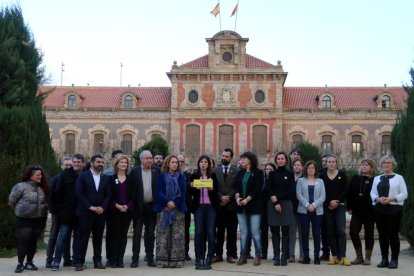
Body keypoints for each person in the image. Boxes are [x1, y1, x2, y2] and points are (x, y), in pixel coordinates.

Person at [73, 154, 111, 271]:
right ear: (92, 163)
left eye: (102, 162)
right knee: (82, 238)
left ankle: (97, 261)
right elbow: (79, 193)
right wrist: (90, 207)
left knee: (98, 238)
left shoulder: (105, 178)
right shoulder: (83, 176)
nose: (100, 164)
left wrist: (102, 207)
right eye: (98, 162)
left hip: (100, 213)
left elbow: (108, 195)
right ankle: (79, 262)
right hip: (85, 213)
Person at [9, 165, 50, 273]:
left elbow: (47, 201)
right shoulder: (20, 186)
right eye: (37, 175)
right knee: (24, 241)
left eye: (41, 174)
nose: (40, 176)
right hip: (24, 219)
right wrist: (19, 211)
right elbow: (12, 201)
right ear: (30, 176)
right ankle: (20, 264)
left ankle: (29, 262)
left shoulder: (44, 187)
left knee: (33, 241)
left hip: (40, 218)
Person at [370, 155, 408, 269]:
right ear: (381, 165)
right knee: (382, 235)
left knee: (393, 235)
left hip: (394, 209)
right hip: (379, 209)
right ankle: (384, 259)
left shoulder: (399, 178)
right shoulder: (377, 178)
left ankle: (394, 260)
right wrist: (377, 199)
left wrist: (391, 199)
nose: (386, 165)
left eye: (389, 163)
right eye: (384, 163)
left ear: (393, 165)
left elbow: (404, 194)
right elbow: (372, 193)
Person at [50, 154, 85, 271]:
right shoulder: (64, 174)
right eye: (74, 161)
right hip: (66, 213)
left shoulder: (85, 175)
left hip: (80, 212)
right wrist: (59, 210)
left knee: (78, 238)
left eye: (79, 162)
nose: (76, 164)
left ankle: (75, 261)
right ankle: (56, 261)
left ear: (83, 163)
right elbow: (57, 193)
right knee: (63, 237)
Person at [154, 155, 187, 268]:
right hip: (163, 209)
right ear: (168, 164)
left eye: (176, 162)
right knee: (163, 234)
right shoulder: (161, 177)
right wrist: (167, 203)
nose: (174, 164)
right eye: (172, 162)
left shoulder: (181, 177)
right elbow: (158, 192)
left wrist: (173, 203)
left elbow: (183, 193)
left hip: (177, 209)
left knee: (177, 235)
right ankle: (162, 260)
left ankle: (176, 260)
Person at [129, 150, 160, 267]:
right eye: (147, 158)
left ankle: (150, 258)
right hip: (138, 208)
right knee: (137, 233)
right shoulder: (135, 171)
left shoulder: (156, 170)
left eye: (151, 158)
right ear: (141, 159)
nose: (149, 160)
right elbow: (131, 190)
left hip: (152, 207)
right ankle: (135, 259)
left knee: (151, 234)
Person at [266, 152, 295, 266]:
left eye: (283, 158)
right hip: (273, 204)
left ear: (286, 160)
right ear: (276, 160)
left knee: (286, 231)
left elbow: (291, 190)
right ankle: (276, 256)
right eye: (278, 158)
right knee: (274, 232)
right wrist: (275, 201)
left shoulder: (290, 173)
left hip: (286, 204)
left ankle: (284, 256)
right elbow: (269, 187)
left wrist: (278, 198)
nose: (281, 160)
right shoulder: (272, 174)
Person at [320, 154, 350, 266]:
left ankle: (343, 257)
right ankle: (334, 256)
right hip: (327, 207)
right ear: (326, 163)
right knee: (330, 231)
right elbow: (321, 191)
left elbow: (345, 190)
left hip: (339, 206)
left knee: (341, 231)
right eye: (329, 161)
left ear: (336, 163)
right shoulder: (322, 175)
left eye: (333, 161)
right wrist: (328, 202)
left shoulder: (341, 174)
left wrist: (337, 201)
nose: (331, 163)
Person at [234, 151, 264, 266]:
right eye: (241, 159)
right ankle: (243, 255)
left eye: (244, 158)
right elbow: (236, 186)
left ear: (250, 160)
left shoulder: (258, 172)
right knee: (243, 232)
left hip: (254, 206)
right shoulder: (240, 173)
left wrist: (247, 199)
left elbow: (257, 188)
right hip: (241, 207)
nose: (242, 161)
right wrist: (237, 197)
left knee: (255, 232)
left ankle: (258, 255)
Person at [189, 155, 218, 270]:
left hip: (210, 207)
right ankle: (198, 258)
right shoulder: (195, 175)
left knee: (211, 233)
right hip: (199, 207)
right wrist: (190, 185)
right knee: (198, 233)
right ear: (199, 163)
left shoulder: (212, 175)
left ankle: (209, 258)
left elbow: (216, 190)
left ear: (208, 164)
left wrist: (212, 188)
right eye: (201, 162)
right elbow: (190, 190)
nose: (203, 164)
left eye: (205, 162)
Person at [106, 155, 135, 268]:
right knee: (114, 235)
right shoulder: (111, 179)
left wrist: (127, 206)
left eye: (125, 163)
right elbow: (109, 195)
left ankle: (120, 259)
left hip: (127, 211)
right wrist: (117, 205)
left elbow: (134, 196)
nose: (124, 164)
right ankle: (112, 259)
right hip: (114, 211)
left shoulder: (131, 179)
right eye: (121, 162)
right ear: (117, 164)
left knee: (123, 235)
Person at [212, 148, 239, 264]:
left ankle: (230, 255)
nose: (224, 158)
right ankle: (218, 255)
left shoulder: (236, 171)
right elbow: (213, 187)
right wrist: (220, 197)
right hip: (219, 207)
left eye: (227, 156)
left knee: (232, 232)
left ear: (231, 158)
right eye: (223, 156)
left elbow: (237, 187)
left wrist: (228, 197)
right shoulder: (215, 171)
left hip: (232, 206)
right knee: (220, 232)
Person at [296, 161, 326, 265]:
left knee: (316, 234)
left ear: (315, 169)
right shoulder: (300, 181)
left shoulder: (320, 181)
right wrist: (307, 205)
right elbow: (298, 194)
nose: (311, 169)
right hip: (304, 211)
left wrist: (314, 205)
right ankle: (306, 257)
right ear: (305, 169)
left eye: (313, 168)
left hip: (317, 211)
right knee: (304, 234)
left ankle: (316, 256)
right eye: (309, 168)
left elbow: (323, 196)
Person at [347, 159, 376, 265]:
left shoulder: (375, 180)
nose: (364, 167)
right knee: (353, 232)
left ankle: (368, 257)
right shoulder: (355, 178)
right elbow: (349, 192)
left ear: (371, 168)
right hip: (356, 211)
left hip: (370, 211)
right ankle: (359, 257)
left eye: (366, 165)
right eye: (362, 165)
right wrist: (349, 207)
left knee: (369, 234)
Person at [46, 157, 72, 269]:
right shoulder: (56, 179)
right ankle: (49, 260)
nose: (68, 167)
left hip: (68, 213)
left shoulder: (73, 178)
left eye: (70, 165)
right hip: (57, 212)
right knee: (53, 235)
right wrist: (53, 211)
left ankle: (67, 259)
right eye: (66, 165)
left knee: (67, 235)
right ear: (61, 166)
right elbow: (50, 196)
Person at [177, 154, 193, 261]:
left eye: (182, 161)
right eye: (178, 161)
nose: (180, 163)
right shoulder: (169, 175)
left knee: (186, 231)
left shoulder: (188, 175)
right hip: (172, 207)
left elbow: (191, 190)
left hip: (185, 207)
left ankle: (185, 252)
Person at [261, 162, 276, 260]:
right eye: (267, 169)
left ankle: (276, 253)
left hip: (273, 208)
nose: (268, 171)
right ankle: (264, 253)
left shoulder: (276, 181)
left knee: (275, 232)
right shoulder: (262, 181)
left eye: (271, 169)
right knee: (263, 232)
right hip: (262, 210)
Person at [292, 159, 305, 262]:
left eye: (299, 165)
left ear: (302, 167)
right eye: (295, 165)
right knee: (291, 232)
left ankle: (302, 254)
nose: (297, 166)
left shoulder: (304, 179)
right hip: (291, 209)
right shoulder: (289, 178)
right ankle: (291, 254)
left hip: (302, 209)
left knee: (302, 233)